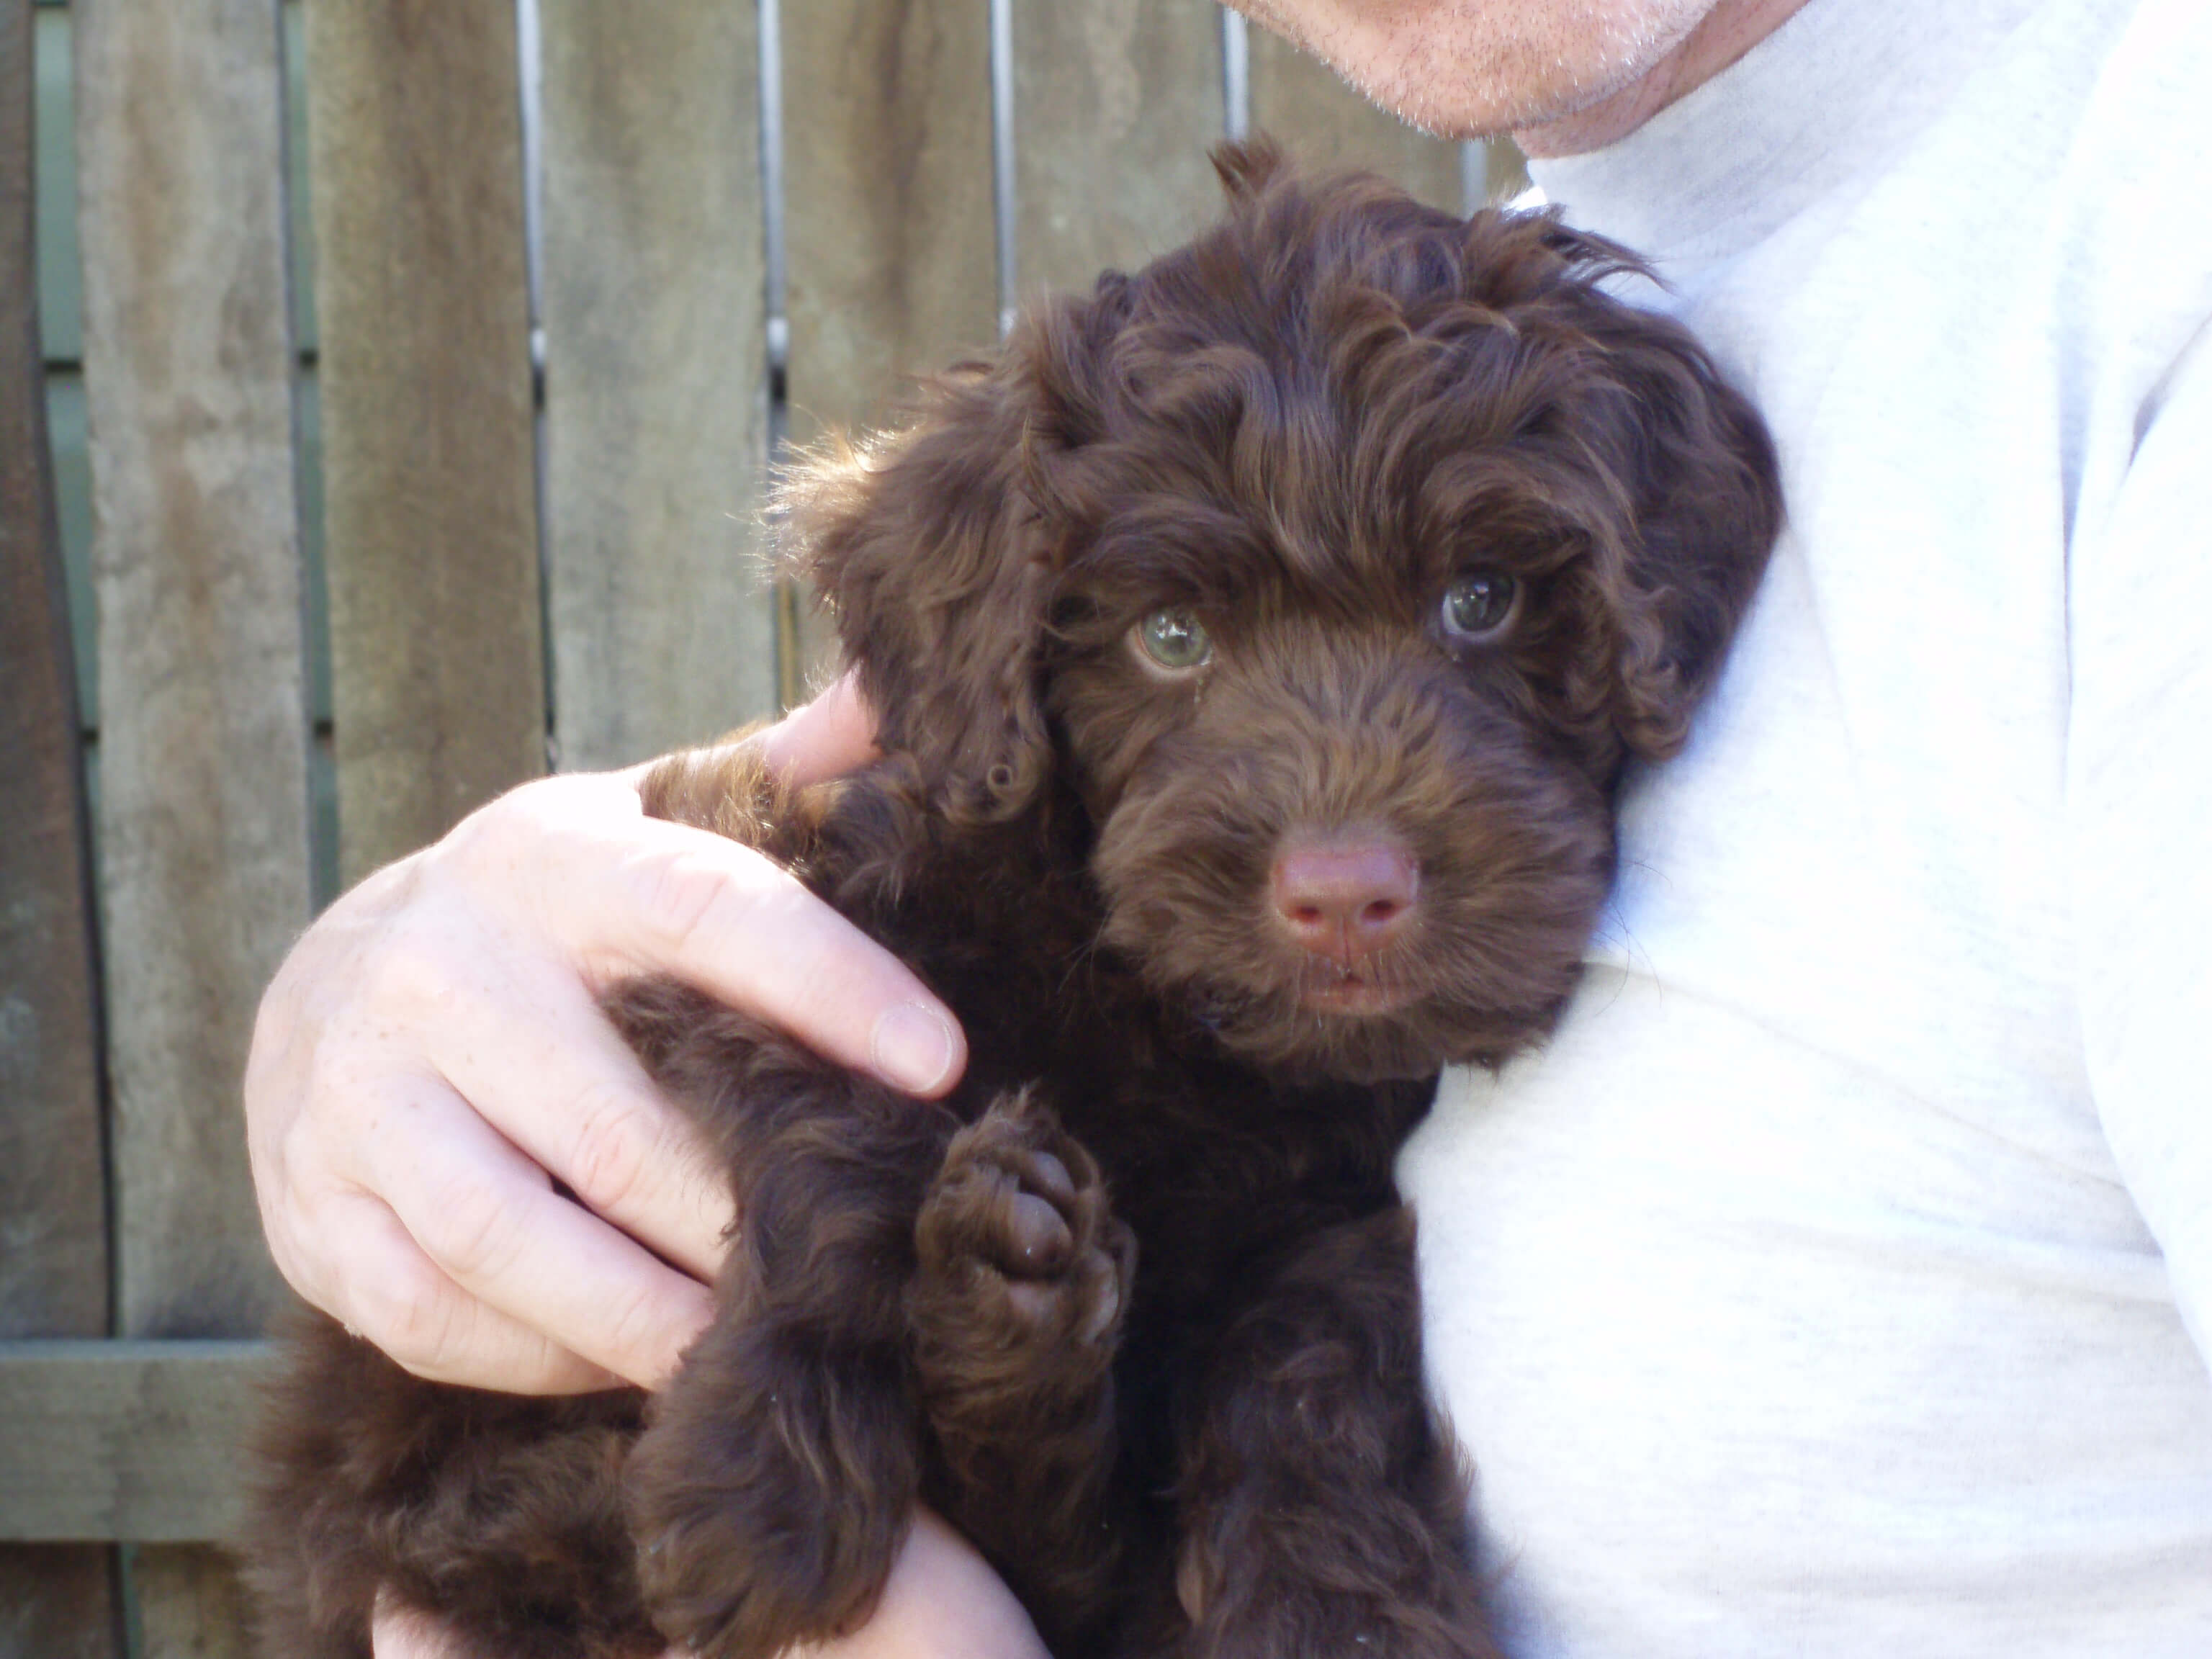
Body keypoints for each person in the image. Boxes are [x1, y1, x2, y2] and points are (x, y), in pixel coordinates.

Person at [245, 0, 2212, 1653]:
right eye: (1181, 635)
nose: (1339, 836)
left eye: (1476, 609)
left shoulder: (2133, 291)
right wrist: (379, 991)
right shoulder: (1570, 276)